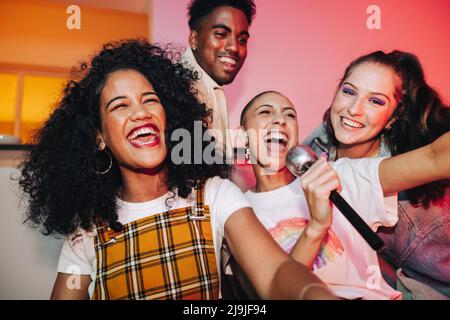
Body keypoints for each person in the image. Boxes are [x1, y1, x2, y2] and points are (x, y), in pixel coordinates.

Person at [17, 39, 336, 300]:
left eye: (150, 100)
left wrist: (312, 293)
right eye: (120, 105)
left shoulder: (215, 195)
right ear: (99, 137)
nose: (141, 112)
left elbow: (276, 272)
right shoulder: (85, 232)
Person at [225, 90, 450, 300]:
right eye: (265, 112)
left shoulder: (338, 174)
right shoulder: (237, 212)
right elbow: (277, 291)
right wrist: (317, 225)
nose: (280, 120)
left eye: (289, 115)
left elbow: (434, 159)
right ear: (242, 137)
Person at [304, 51, 450, 299]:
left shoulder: (411, 212)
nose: (353, 110)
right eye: (349, 91)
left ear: (393, 117)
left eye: (376, 101)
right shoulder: (322, 140)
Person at [182, 0, 255, 161]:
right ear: (194, 39)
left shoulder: (209, 88)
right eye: (221, 34)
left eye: (242, 39)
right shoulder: (178, 91)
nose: (234, 47)